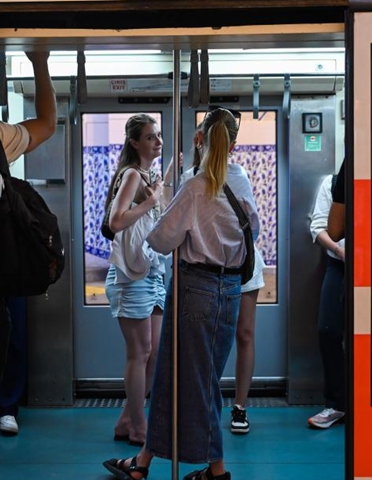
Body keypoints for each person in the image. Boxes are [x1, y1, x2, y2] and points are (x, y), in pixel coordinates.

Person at [103, 107, 259, 480]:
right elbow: (251, 227)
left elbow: (159, 240)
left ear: (199, 139)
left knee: (195, 380)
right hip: (231, 288)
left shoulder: (194, 185)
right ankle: (144, 460)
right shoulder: (242, 181)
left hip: (195, 289)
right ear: (234, 144)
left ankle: (217, 470)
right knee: (175, 377)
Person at [180, 109, 265, 435]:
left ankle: (240, 406)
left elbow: (252, 230)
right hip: (209, 269)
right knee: (210, 341)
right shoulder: (193, 178)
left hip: (242, 264)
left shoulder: (238, 175)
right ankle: (206, 403)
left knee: (244, 334)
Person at [0, 49, 57, 435]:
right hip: (2, 251)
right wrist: (39, 62)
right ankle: (5, 405)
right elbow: (48, 124)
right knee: (9, 327)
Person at [104, 114, 169, 447]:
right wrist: (150, 202)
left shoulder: (150, 175)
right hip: (130, 277)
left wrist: (157, 196)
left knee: (153, 352)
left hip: (151, 272)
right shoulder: (131, 174)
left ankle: (127, 418)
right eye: (149, 137)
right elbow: (115, 221)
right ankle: (140, 429)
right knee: (139, 353)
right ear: (134, 143)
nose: (157, 141)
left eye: (157, 136)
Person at [307, 172, 346, 429]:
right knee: (328, 330)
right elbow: (318, 226)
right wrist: (338, 250)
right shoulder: (332, 183)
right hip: (340, 264)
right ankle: (336, 404)